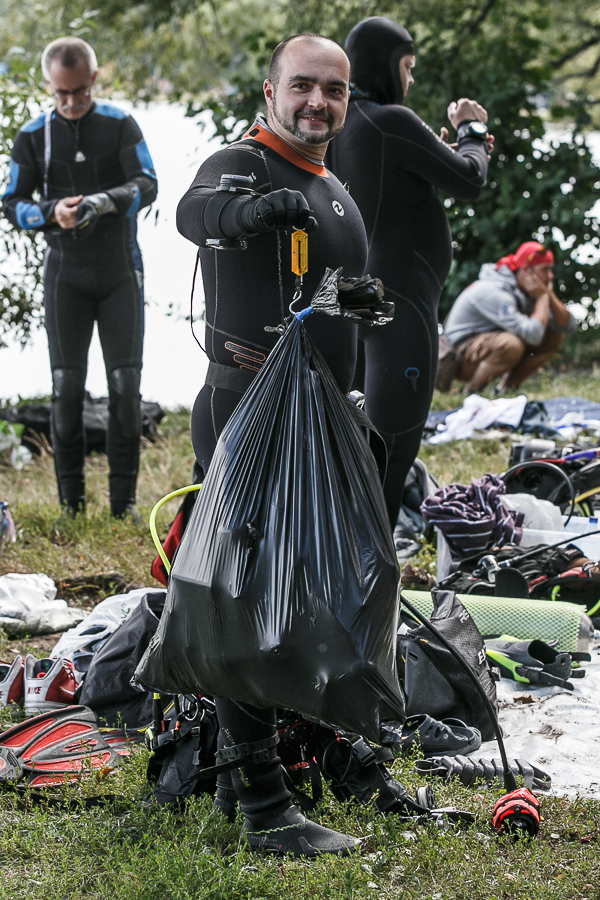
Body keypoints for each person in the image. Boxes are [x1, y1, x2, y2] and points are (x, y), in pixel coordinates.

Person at [176, 33, 369, 858]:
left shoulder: (330, 184)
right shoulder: (243, 162)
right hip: (247, 413)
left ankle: (337, 753)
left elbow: (323, 294)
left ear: (347, 98)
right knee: (245, 599)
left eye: (332, 90)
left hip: (322, 418)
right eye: (303, 87)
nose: (317, 102)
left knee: (321, 591)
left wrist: (356, 305)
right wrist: (248, 214)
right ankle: (258, 800)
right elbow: (196, 214)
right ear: (270, 90)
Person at [327, 16, 490, 527]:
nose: (411, 79)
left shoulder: (344, 123)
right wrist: (472, 131)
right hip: (399, 302)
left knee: (352, 446)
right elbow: (470, 178)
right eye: (408, 67)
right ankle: (373, 589)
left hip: (355, 293)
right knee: (391, 454)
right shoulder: (388, 120)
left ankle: (336, 573)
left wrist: (437, 149)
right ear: (386, 65)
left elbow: (390, 191)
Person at [2, 37, 157, 517]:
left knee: (126, 388)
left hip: (119, 274)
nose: (70, 103)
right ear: (50, 87)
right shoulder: (33, 135)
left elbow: (148, 183)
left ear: (93, 80)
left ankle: (122, 503)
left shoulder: (118, 124)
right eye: (60, 94)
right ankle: (71, 504)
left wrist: (101, 202)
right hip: (65, 277)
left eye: (79, 92)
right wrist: (52, 212)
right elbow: (11, 203)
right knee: (66, 388)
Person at [443, 241, 576, 393]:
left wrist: (549, 296)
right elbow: (534, 336)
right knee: (511, 344)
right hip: (455, 358)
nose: (550, 276)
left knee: (553, 335)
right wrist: (542, 298)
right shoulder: (495, 291)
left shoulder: (527, 291)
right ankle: (472, 392)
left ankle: (506, 388)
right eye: (545, 269)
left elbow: (569, 326)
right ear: (526, 271)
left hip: (481, 348)